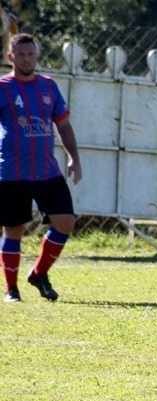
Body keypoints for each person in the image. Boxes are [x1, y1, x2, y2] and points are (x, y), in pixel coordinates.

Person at [0, 33, 82, 303]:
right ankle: (11, 290)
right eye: (21, 54)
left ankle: (38, 273)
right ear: (11, 57)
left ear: (36, 56)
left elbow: (64, 125)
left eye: (30, 54)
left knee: (66, 221)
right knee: (14, 229)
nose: (26, 59)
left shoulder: (48, 86)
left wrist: (74, 158)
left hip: (46, 170)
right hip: (11, 172)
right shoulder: (3, 88)